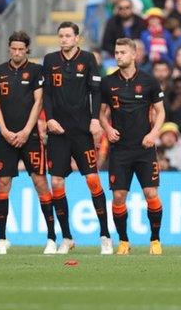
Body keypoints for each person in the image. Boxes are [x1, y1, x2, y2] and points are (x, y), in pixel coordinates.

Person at [42, 22, 112, 255]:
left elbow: (96, 91)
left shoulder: (88, 59)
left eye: (68, 35)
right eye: (60, 35)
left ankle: (105, 236)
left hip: (82, 130)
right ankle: (67, 238)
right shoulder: (50, 60)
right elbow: (48, 94)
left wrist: (94, 119)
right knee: (57, 183)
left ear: (77, 38)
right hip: (58, 132)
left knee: (93, 180)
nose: (64, 39)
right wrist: (49, 119)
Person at [0, 31, 57, 254]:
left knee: (40, 182)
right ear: (9, 48)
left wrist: (27, 130)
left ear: (27, 49)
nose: (17, 53)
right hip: (6, 137)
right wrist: (5, 130)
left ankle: (51, 237)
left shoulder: (36, 70)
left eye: (21, 49)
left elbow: (39, 102)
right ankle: (1, 239)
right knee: (3, 184)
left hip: (31, 137)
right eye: (14, 49)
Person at [99, 37, 165, 255]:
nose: (118, 56)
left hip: (144, 148)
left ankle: (155, 240)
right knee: (118, 197)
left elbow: (161, 112)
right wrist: (107, 129)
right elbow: (100, 114)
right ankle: (124, 241)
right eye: (116, 52)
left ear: (134, 54)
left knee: (151, 193)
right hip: (120, 150)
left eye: (122, 52)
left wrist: (154, 133)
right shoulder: (108, 83)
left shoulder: (149, 81)